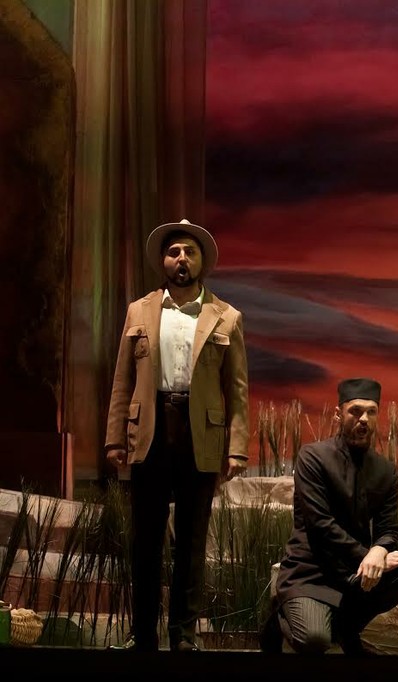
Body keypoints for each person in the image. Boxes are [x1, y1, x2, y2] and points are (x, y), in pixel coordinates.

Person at [105, 218, 250, 652]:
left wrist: (237, 448)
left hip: (200, 433)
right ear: (163, 261)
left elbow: (237, 390)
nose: (181, 259)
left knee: (191, 540)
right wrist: (115, 438)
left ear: (202, 260)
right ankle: (143, 635)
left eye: (189, 251)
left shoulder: (226, 317)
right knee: (145, 541)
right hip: (149, 429)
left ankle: (184, 636)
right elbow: (122, 379)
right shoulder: (140, 310)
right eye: (174, 252)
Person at [269, 377, 398, 655]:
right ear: (339, 414)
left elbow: (390, 528)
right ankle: (280, 616)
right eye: (355, 411)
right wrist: (367, 555)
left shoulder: (385, 470)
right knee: (315, 640)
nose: (364, 419)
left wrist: (380, 550)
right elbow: (320, 525)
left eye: (371, 412)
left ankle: (345, 627)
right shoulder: (313, 457)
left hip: (356, 575)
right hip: (311, 574)